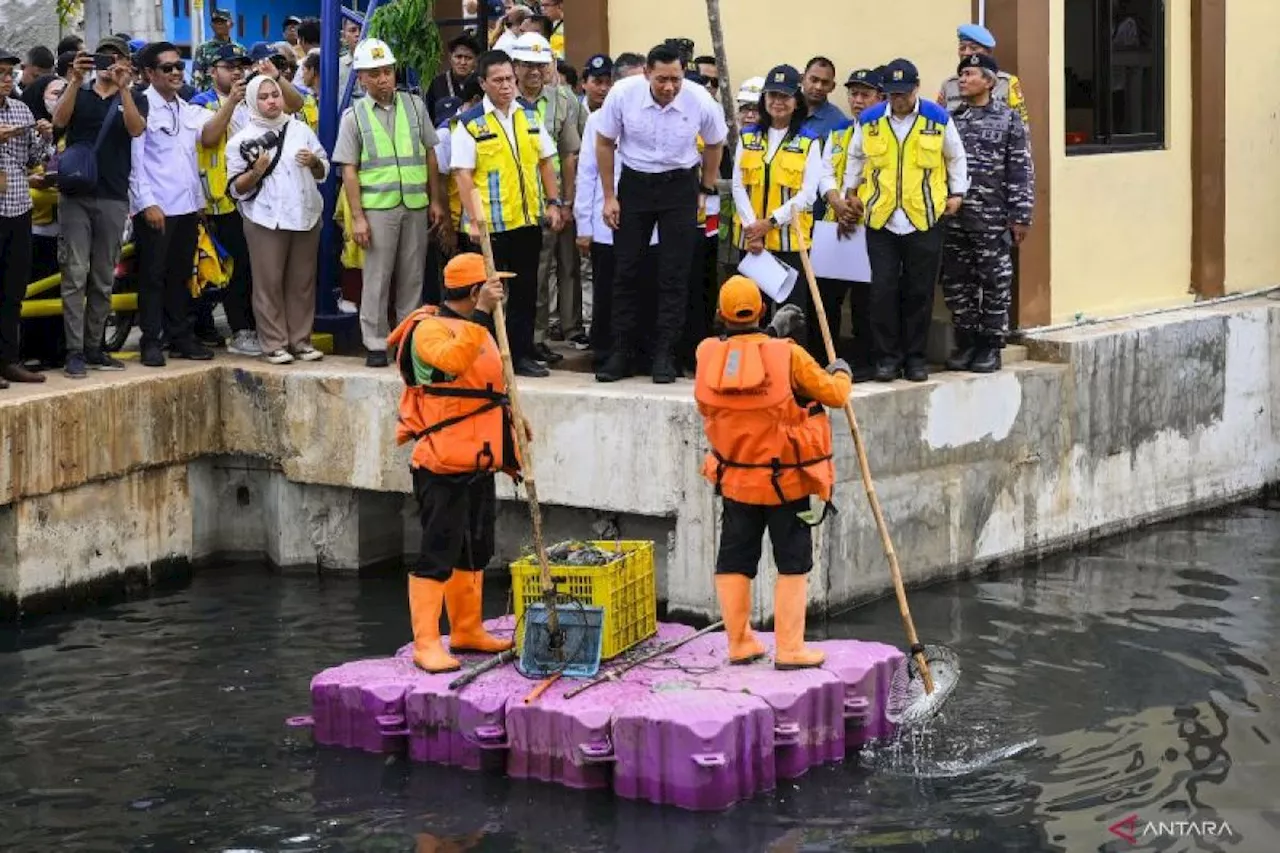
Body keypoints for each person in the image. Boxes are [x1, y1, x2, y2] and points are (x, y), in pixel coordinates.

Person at [694, 276, 851, 669]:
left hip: (736, 482)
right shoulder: (790, 355)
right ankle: (791, 649)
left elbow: (741, 358)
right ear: (762, 311)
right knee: (793, 563)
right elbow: (835, 395)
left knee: (734, 561)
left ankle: (740, 642)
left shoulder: (706, 354)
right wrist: (842, 370)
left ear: (719, 315)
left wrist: (766, 335)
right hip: (787, 485)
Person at [387, 252, 527, 673]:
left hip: (479, 458)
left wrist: (515, 421)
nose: (499, 294)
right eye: (490, 288)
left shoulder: (481, 328)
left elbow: (487, 387)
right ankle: (426, 642)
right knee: (438, 550)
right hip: (440, 464)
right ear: (473, 291)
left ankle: (467, 629)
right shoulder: (428, 330)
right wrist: (481, 313)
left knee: (475, 547)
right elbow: (453, 362)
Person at [593, 43, 727, 384]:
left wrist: (706, 188)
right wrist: (609, 196)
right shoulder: (624, 93)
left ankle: (665, 354)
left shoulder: (699, 99)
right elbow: (605, 143)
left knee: (674, 273)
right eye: (661, 79)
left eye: (676, 79)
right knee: (626, 269)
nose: (669, 87)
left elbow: (715, 143)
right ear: (647, 73)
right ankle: (621, 351)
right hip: (635, 184)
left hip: (680, 185)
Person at [841, 58, 968, 383]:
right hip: (881, 217)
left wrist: (957, 193)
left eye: (904, 93)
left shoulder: (936, 118)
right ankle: (887, 359)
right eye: (893, 94)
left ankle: (914, 358)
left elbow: (955, 156)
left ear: (916, 88)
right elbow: (856, 155)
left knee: (919, 292)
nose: (898, 100)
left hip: (923, 216)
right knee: (882, 291)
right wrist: (849, 191)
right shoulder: (870, 120)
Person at [452, 49, 564, 378]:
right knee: (488, 293)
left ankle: (521, 353)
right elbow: (462, 174)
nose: (506, 86)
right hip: (490, 225)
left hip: (526, 220)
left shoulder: (528, 115)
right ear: (483, 83)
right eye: (498, 80)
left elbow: (546, 160)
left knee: (528, 291)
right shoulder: (470, 123)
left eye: (509, 80)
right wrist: (473, 220)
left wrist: (554, 202)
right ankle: (485, 354)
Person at [334, 38, 445, 367]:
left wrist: (436, 199)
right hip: (378, 208)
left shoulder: (415, 105)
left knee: (413, 277)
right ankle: (375, 342)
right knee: (377, 277)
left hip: (415, 204)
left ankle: (408, 339)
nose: (383, 78)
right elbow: (348, 170)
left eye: (387, 71)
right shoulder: (354, 117)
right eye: (375, 73)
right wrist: (357, 217)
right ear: (362, 79)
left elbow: (430, 154)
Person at [130, 41, 233, 366]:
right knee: (152, 276)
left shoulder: (185, 107)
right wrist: (147, 204)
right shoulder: (141, 106)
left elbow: (210, 135)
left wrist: (232, 101)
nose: (176, 72)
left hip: (188, 207)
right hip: (157, 207)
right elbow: (135, 164)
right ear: (149, 73)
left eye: (178, 66)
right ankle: (150, 340)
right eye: (167, 67)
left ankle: (180, 337)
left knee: (180, 276)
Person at [52, 38, 146, 377]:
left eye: (116, 56)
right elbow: (59, 121)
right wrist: (75, 81)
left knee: (104, 275)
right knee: (74, 274)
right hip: (76, 194)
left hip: (113, 195)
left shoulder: (135, 97)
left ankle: (95, 347)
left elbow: (136, 129)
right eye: (104, 55)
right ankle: (74, 350)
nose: (109, 61)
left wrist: (124, 89)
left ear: (126, 61)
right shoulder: (79, 89)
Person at [227, 75, 328, 364]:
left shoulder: (300, 129)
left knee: (302, 282)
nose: (272, 100)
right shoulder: (241, 141)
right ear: (252, 102)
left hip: (305, 214)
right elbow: (235, 188)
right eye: (264, 97)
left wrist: (314, 162)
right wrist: (257, 170)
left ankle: (301, 341)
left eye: (275, 94)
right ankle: (273, 343)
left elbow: (324, 171)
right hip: (265, 219)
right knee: (268, 282)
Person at [941, 54, 1033, 374]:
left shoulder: (1009, 119)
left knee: (995, 280)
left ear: (989, 81)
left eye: (969, 74)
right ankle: (966, 342)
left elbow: (1020, 168)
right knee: (956, 282)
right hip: (955, 217)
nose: (962, 80)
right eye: (961, 75)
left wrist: (1020, 215)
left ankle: (990, 346)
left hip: (993, 217)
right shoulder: (952, 119)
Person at [731, 65, 823, 357]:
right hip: (751, 244)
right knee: (747, 314)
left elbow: (807, 195)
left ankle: (792, 377)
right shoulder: (747, 138)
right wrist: (752, 229)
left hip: (789, 244)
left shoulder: (808, 141)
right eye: (772, 95)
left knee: (790, 317)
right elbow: (738, 187)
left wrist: (769, 223)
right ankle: (750, 372)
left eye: (784, 96)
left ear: (796, 100)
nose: (777, 102)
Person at [575, 55, 653, 368]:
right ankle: (606, 351)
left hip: (647, 220)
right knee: (607, 288)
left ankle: (639, 351)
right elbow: (586, 172)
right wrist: (584, 224)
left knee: (643, 288)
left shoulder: (653, 117)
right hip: (604, 221)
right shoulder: (598, 120)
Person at [510, 32, 583, 362]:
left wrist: (566, 202)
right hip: (516, 201)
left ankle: (537, 339)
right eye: (526, 64)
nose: (534, 71)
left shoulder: (563, 100)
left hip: (550, 201)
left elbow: (568, 155)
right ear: (515, 66)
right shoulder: (505, 99)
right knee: (526, 276)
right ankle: (524, 339)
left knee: (547, 272)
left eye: (541, 64)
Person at [191, 44, 258, 354]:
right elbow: (208, 137)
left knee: (254, 264)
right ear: (210, 70)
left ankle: (255, 326)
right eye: (227, 65)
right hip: (220, 200)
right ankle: (240, 329)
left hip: (254, 197)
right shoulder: (199, 103)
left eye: (240, 65)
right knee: (234, 266)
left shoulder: (254, 100)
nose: (236, 71)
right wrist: (231, 102)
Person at [817, 67, 884, 379]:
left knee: (866, 302)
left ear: (879, 97)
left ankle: (867, 358)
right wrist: (836, 202)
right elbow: (826, 171)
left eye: (865, 94)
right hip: (835, 225)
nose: (858, 100)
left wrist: (856, 209)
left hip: (868, 226)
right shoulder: (840, 132)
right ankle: (825, 356)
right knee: (828, 298)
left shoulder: (883, 132)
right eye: (853, 94)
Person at [0, 48, 54, 387]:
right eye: (2, 73)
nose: (7, 79)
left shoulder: (20, 109)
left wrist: (46, 136)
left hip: (18, 206)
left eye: (9, 73)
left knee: (13, 289)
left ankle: (8, 360)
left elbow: (36, 157)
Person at [937, 23, 1029, 125]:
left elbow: (1022, 123)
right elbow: (939, 122)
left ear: (988, 53)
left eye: (973, 48)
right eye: (962, 48)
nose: (966, 53)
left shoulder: (1006, 82)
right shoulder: (949, 85)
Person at [427, 35, 479, 123]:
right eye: (458, 57)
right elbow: (429, 117)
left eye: (468, 58)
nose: (463, 62)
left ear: (475, 61)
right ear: (450, 58)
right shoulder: (437, 83)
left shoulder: (481, 83)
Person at [192, 8, 244, 92]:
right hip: (210, 98)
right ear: (211, 25)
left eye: (222, 22)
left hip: (235, 93)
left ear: (231, 24)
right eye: (216, 22)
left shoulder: (239, 49)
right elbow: (197, 77)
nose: (219, 25)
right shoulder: (203, 49)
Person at [800, 57, 845, 138]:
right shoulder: (785, 110)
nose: (818, 87)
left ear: (832, 87)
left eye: (825, 83)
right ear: (802, 79)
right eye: (814, 80)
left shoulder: (839, 122)